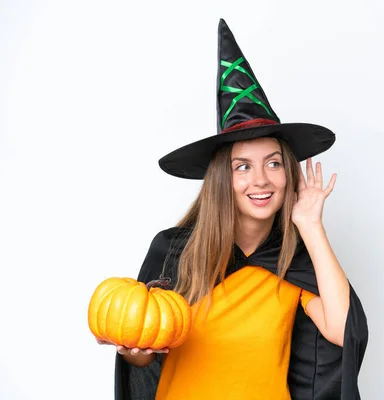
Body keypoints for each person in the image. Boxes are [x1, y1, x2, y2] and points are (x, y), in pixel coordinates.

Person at [102, 19, 368, 399]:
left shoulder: (293, 261)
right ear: (221, 180)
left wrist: (310, 225)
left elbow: (344, 331)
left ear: (287, 174)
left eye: (273, 163)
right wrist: (134, 351)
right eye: (242, 166)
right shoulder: (175, 252)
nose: (260, 179)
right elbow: (146, 348)